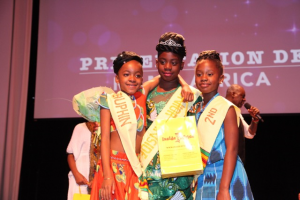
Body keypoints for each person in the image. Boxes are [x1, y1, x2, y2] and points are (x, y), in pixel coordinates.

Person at [140, 32, 200, 200]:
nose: (168, 67)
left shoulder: (191, 95)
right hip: (149, 173)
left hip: (179, 176)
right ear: (156, 62)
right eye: (163, 61)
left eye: (174, 63)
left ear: (182, 65)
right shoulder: (145, 94)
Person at [188, 50, 253, 200]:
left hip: (225, 174)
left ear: (221, 78)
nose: (204, 78)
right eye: (199, 74)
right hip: (204, 176)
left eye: (210, 74)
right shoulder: (194, 108)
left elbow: (232, 149)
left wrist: (224, 189)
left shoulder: (227, 108)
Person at [225, 84, 260, 164]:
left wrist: (255, 119)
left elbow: (249, 134)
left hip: (237, 161)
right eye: (242, 96)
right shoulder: (219, 108)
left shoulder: (236, 112)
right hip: (222, 161)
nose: (244, 99)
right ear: (233, 94)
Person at [66, 121, 100, 200]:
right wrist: (76, 174)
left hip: (99, 181)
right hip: (80, 180)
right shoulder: (81, 127)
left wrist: (98, 179)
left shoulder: (107, 131)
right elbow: (70, 154)